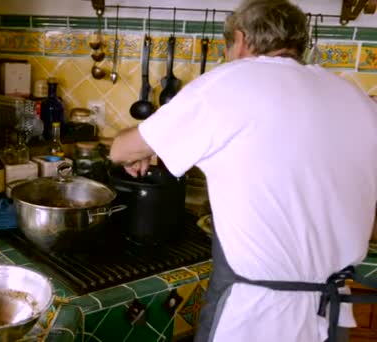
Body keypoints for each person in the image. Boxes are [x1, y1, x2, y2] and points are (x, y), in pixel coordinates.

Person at [109, 0, 377, 341]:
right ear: (299, 43)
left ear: (240, 39)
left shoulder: (229, 82)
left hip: (258, 319)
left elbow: (121, 150)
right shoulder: (355, 98)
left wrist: (140, 151)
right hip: (333, 314)